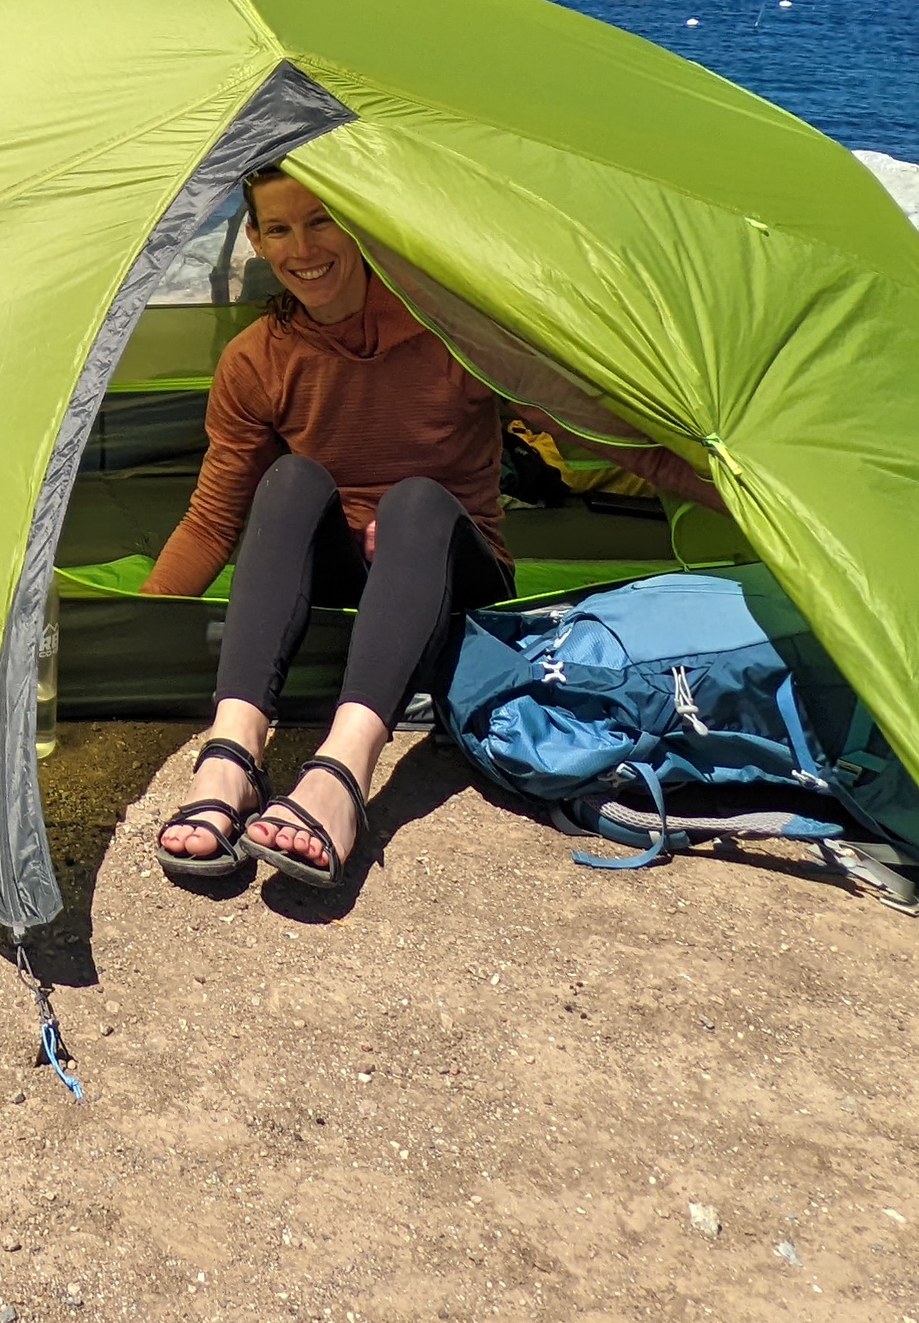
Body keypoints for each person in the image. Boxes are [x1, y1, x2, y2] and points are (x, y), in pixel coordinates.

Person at [148, 162, 716, 894]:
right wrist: (150, 616)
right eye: (280, 228)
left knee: (413, 500)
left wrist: (735, 495)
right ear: (256, 240)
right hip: (352, 573)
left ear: (356, 223)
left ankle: (342, 772)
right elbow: (212, 517)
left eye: (321, 220)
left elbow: (607, 438)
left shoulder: (450, 332)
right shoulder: (258, 358)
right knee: (288, 481)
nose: (303, 247)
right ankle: (232, 754)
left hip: (452, 569)